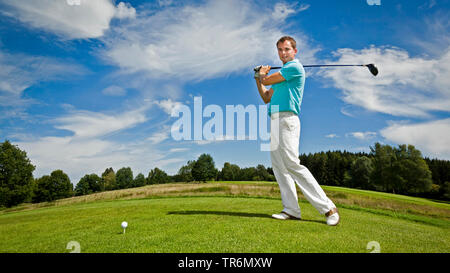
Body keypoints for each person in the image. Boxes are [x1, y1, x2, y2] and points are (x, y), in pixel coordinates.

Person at [254, 36, 340, 226]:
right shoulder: (281, 76)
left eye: (286, 49)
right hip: (275, 120)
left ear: (294, 51)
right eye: (279, 50)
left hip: (287, 119)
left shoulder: (294, 68)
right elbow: (266, 96)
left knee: (292, 164)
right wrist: (257, 79)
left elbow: (267, 79)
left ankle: (329, 208)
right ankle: (291, 210)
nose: (283, 53)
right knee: (279, 167)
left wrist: (262, 75)